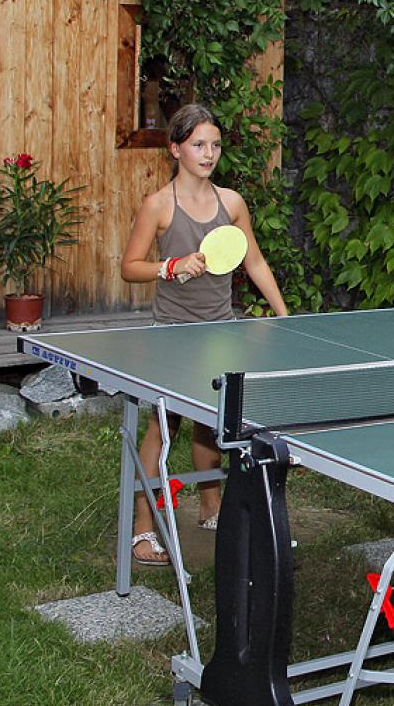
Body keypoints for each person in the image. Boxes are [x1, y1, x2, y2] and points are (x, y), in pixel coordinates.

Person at [118, 103, 289, 568]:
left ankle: (211, 508)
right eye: (198, 145)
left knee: (216, 424)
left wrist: (285, 315)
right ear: (176, 149)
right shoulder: (158, 205)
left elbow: (254, 262)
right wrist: (172, 267)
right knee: (163, 427)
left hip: (221, 332)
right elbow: (130, 268)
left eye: (214, 145)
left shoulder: (231, 203)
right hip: (171, 333)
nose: (208, 153)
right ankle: (141, 529)